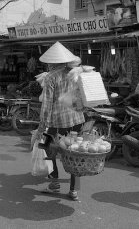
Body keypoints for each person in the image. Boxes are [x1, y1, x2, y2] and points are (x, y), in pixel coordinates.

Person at [36, 42, 84, 201]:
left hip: (58, 122)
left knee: (47, 149)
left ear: (52, 62)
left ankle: (54, 183)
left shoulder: (51, 77)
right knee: (75, 154)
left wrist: (42, 126)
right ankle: (74, 191)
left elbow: (47, 104)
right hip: (77, 119)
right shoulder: (76, 73)